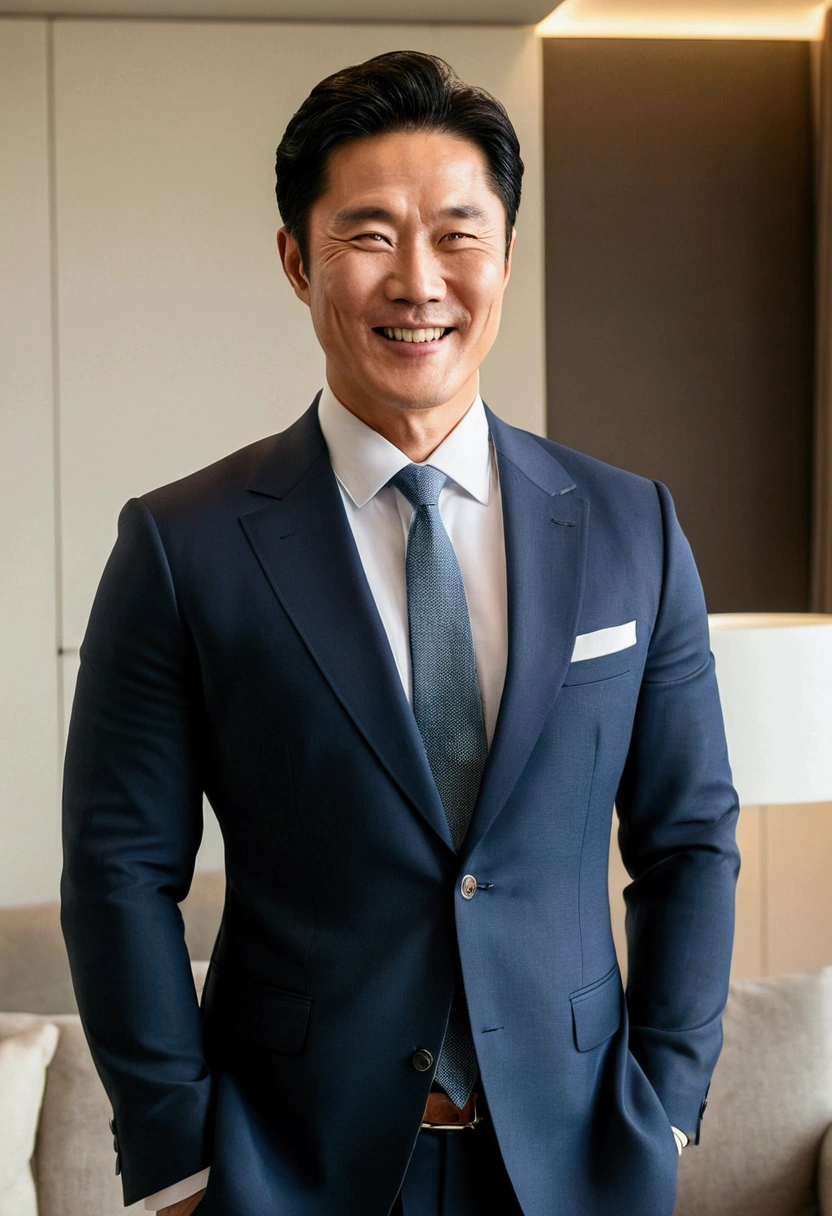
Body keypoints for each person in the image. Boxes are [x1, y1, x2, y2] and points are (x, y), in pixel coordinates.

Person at [61, 50, 740, 1216]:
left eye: (457, 234)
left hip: (578, 1165)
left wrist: (667, 1103)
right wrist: (178, 1160)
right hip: (289, 1167)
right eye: (369, 234)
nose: (417, 281)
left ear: (508, 254)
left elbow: (688, 837)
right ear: (295, 258)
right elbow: (118, 872)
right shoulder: (183, 544)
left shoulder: (634, 525)